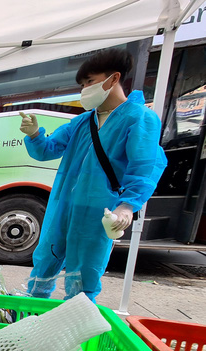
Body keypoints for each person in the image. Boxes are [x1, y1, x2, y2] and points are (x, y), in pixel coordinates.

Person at [18, 49, 166, 302]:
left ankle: (76, 326)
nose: (84, 89)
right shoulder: (82, 122)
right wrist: (34, 135)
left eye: (89, 82)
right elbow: (47, 150)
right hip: (64, 205)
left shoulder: (140, 118)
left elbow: (144, 167)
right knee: (45, 260)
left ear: (113, 78)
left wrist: (127, 206)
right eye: (82, 84)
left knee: (85, 273)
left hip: (99, 211)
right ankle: (31, 313)